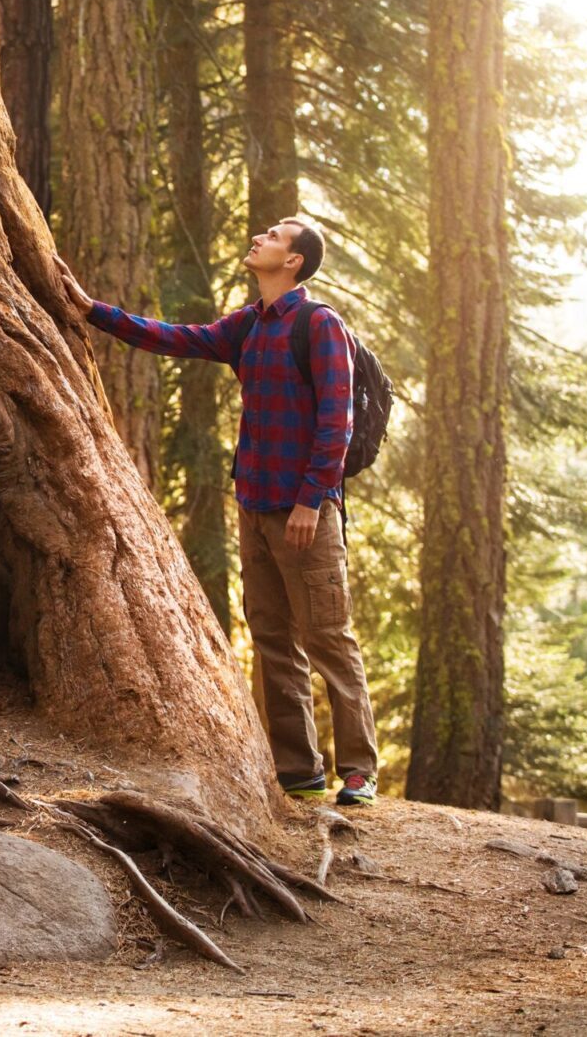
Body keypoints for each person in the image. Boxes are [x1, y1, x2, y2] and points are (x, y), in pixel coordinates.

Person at [52, 216, 380, 808]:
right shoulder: (250, 325)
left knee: (329, 638)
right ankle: (298, 772)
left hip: (306, 511)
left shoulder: (319, 324)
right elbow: (177, 337)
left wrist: (311, 499)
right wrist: (92, 310)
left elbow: (338, 419)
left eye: (276, 236)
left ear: (294, 262)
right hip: (254, 505)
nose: (261, 237)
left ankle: (358, 772)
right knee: (274, 639)